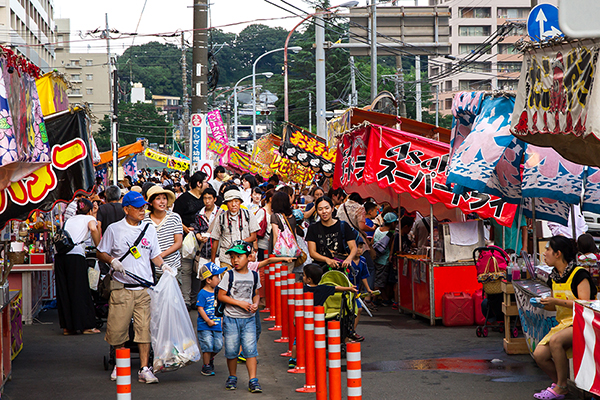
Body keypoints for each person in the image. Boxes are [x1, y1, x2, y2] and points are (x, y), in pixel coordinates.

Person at [97, 191, 169, 384]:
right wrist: (113, 261)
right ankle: (120, 366)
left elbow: (154, 254)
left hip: (144, 288)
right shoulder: (114, 229)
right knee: (118, 329)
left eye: (143, 207)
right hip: (122, 287)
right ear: (126, 209)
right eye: (138, 208)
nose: (142, 211)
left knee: (144, 330)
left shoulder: (149, 229)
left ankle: (145, 368)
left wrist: (164, 266)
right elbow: (101, 252)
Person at [532, 236, 597, 399]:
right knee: (539, 354)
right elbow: (554, 305)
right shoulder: (553, 277)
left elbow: (584, 304)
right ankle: (562, 385)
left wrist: (555, 300)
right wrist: (544, 303)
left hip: (584, 322)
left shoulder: (579, 274)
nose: (545, 253)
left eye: (547, 249)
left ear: (558, 254)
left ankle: (560, 387)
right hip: (564, 324)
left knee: (556, 341)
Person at [216, 241, 262, 393]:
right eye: (232, 257)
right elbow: (221, 295)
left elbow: (256, 294)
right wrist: (239, 303)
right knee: (231, 350)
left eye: (239, 256)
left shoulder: (254, 276)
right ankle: (232, 376)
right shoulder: (228, 275)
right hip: (231, 319)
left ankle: (253, 380)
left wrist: (255, 304)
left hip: (249, 318)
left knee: (250, 350)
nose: (235, 260)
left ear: (249, 257)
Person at [55, 198, 101, 336]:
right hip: (76, 256)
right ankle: (86, 326)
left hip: (61, 255)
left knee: (65, 291)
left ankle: (67, 327)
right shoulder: (88, 219)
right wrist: (99, 247)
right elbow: (93, 228)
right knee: (80, 290)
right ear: (90, 210)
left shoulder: (70, 220)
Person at [173, 171, 208, 307]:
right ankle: (186, 300)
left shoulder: (206, 198)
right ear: (198, 183)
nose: (207, 184)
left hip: (203, 240)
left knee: (199, 270)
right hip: (187, 239)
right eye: (205, 181)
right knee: (186, 269)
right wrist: (185, 228)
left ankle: (195, 299)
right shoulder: (183, 199)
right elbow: (176, 218)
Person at [210, 190, 259, 270]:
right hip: (226, 258)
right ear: (226, 204)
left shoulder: (248, 215)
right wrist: (213, 261)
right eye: (230, 202)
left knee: (242, 281)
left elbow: (253, 236)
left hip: (244, 257)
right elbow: (215, 240)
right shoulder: (221, 218)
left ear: (240, 202)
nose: (233, 205)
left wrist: (238, 244)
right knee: (227, 281)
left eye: (236, 201)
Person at [305, 196, 357, 271]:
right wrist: (327, 260)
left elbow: (353, 247)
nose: (324, 211)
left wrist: (349, 259)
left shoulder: (343, 226)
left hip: (340, 268)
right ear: (316, 211)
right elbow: (312, 252)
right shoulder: (313, 228)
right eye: (320, 209)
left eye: (327, 208)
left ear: (332, 209)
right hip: (321, 270)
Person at [144, 186, 182, 280]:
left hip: (172, 266)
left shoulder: (174, 217)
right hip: (151, 269)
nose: (162, 202)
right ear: (151, 203)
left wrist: (160, 256)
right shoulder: (144, 220)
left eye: (164, 198)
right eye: (158, 199)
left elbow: (178, 243)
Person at [197, 262, 226, 377]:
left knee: (218, 345)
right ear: (208, 280)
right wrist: (208, 321)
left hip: (217, 324)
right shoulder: (202, 293)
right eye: (217, 277)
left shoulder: (218, 292)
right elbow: (200, 309)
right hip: (205, 325)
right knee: (207, 345)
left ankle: (210, 358)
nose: (219, 280)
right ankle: (206, 365)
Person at [372, 212, 398, 306]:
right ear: (392, 223)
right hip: (384, 260)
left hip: (375, 258)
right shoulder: (391, 235)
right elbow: (391, 249)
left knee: (378, 279)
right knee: (379, 282)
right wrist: (391, 257)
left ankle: (384, 298)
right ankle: (374, 300)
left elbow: (372, 242)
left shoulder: (378, 229)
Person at [271, 191, 297, 276]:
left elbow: (276, 235)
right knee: (288, 279)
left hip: (280, 254)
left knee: (278, 280)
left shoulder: (275, 217)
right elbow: (294, 234)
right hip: (291, 253)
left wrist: (274, 253)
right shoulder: (292, 217)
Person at [256, 189, 274, 262]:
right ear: (270, 199)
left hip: (270, 246)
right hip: (262, 245)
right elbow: (254, 227)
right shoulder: (262, 211)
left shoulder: (273, 212)